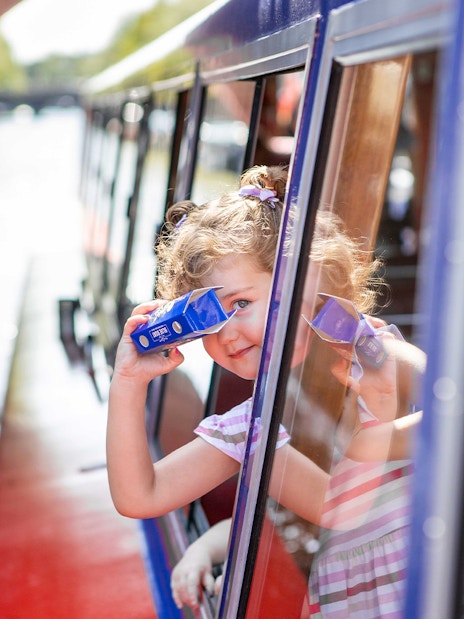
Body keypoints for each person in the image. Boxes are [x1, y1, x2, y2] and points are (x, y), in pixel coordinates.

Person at [106, 164, 424, 615]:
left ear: (302, 288)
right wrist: (128, 383)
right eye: (207, 320)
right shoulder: (249, 429)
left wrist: (375, 438)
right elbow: (140, 496)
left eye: (240, 304)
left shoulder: (372, 348)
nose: (227, 334)